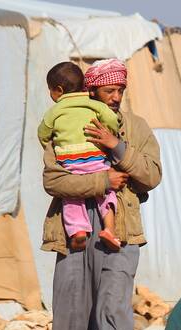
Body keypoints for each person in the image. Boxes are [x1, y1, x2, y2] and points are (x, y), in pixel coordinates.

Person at [41, 58, 162, 330]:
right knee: (72, 314)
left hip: (119, 230)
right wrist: (100, 181)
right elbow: (52, 180)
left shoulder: (136, 128)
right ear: (90, 90)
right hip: (72, 231)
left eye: (121, 90)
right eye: (110, 90)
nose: (116, 96)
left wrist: (116, 147)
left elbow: (151, 175)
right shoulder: (66, 124)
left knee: (111, 311)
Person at [38, 62, 121, 251]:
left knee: (71, 196)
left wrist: (55, 146)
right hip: (94, 157)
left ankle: (78, 231)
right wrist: (110, 133)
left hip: (69, 162)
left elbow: (43, 132)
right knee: (107, 192)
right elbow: (111, 119)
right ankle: (109, 228)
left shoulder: (54, 111)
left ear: (58, 90)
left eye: (50, 90)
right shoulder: (93, 105)